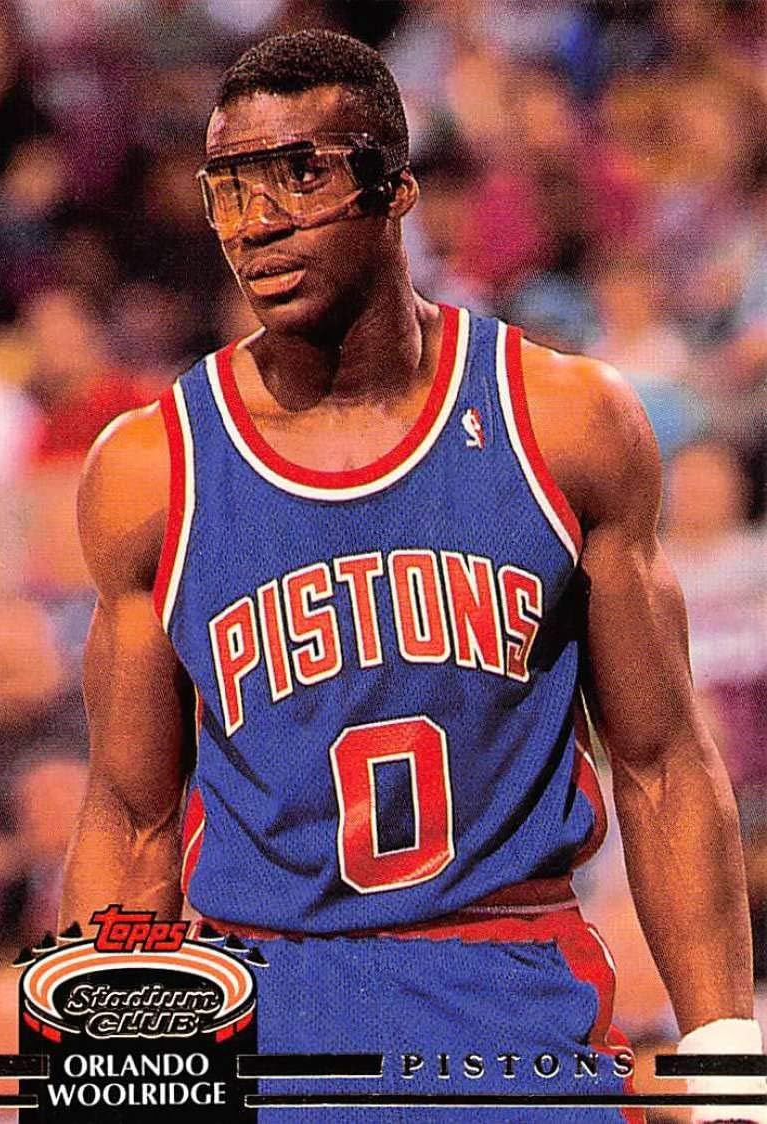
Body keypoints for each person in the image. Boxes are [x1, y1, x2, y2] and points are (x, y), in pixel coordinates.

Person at [60, 29, 761, 1123]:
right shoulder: (151, 471)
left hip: (512, 998)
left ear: (394, 189)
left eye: (300, 174)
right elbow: (131, 814)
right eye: (229, 188)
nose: (258, 220)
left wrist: (724, 1055)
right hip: (269, 1008)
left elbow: (662, 759)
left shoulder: (563, 423)